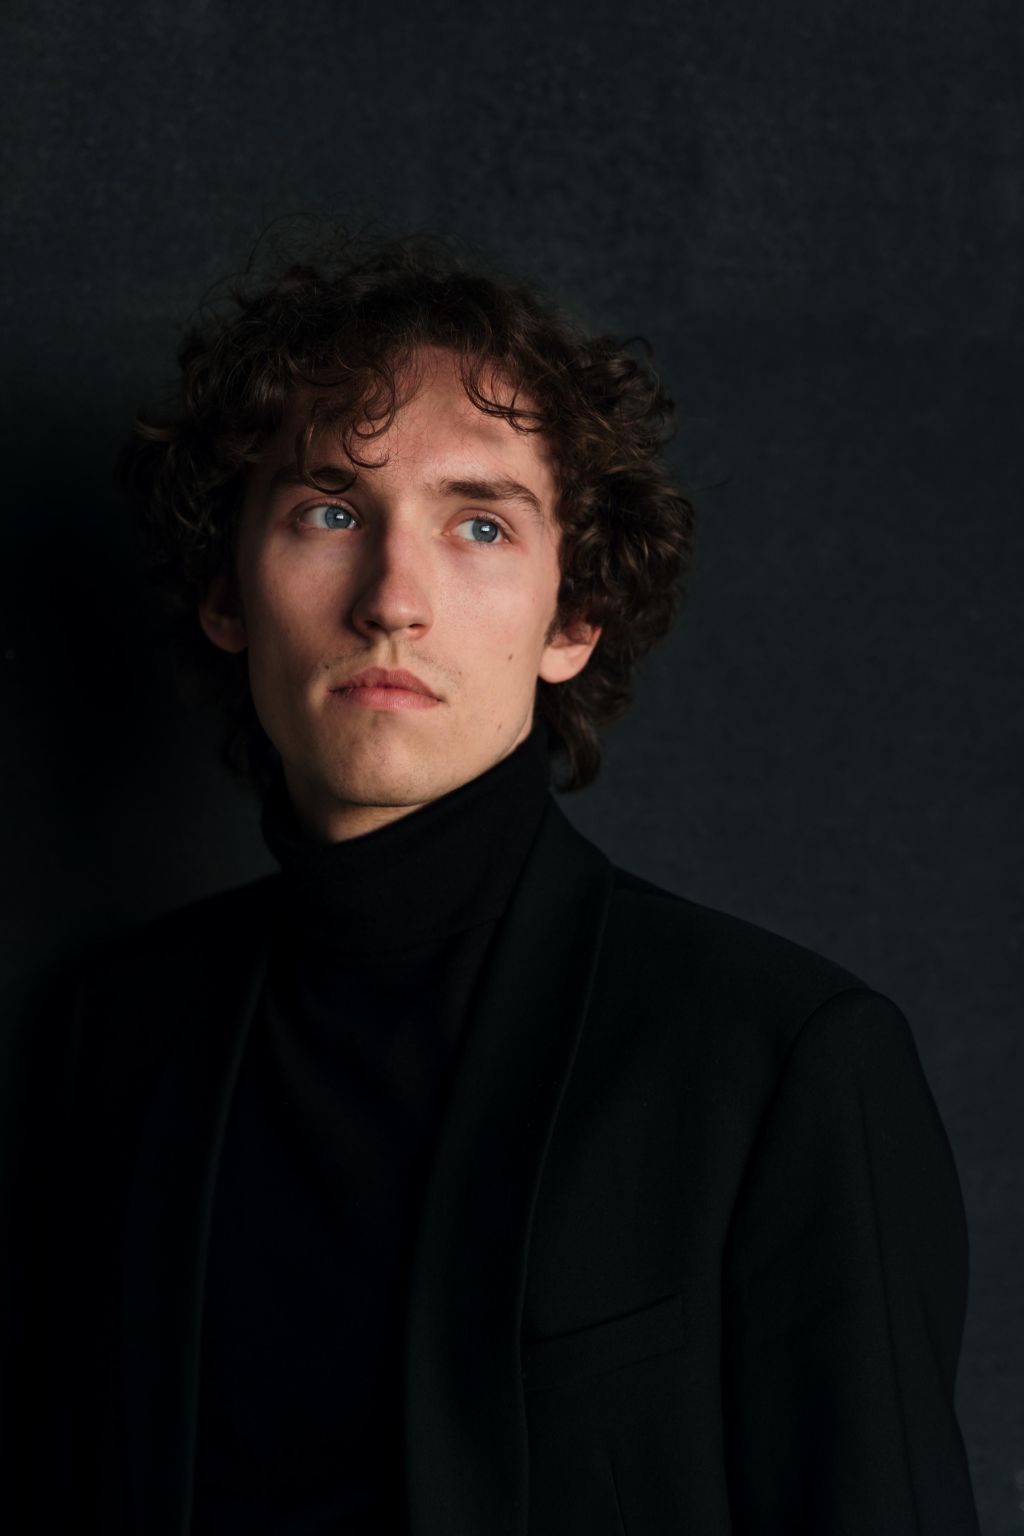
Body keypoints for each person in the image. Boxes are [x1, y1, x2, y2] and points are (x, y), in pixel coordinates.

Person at [30, 232, 980, 1534]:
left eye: (479, 525)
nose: (393, 600)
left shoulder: (778, 1063)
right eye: (329, 512)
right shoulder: (116, 1037)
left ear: (572, 618)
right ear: (228, 592)